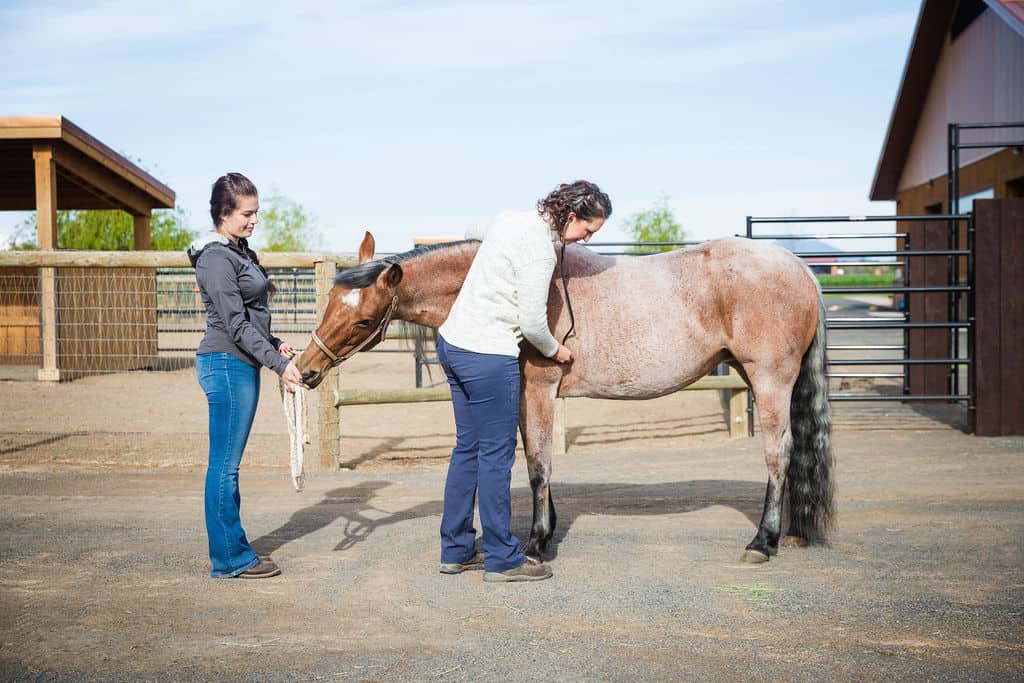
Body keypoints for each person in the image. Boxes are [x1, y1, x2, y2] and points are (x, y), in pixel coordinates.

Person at [436, 179, 612, 582]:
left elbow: (470, 231)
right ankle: (501, 558)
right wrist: (556, 350)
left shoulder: (508, 219)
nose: (586, 240)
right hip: (488, 354)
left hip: (453, 342)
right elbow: (532, 323)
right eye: (587, 231)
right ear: (570, 216)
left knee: (468, 449)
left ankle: (456, 550)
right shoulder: (539, 252)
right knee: (497, 456)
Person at [188, 172, 306, 579]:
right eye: (247, 213)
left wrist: (273, 343)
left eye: (256, 212)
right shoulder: (217, 258)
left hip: (240, 362)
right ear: (224, 213)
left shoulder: (237, 251)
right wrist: (279, 365)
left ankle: (232, 548)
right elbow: (234, 324)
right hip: (226, 363)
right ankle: (229, 559)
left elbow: (248, 319)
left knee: (227, 464)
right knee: (224, 466)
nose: (254, 220)